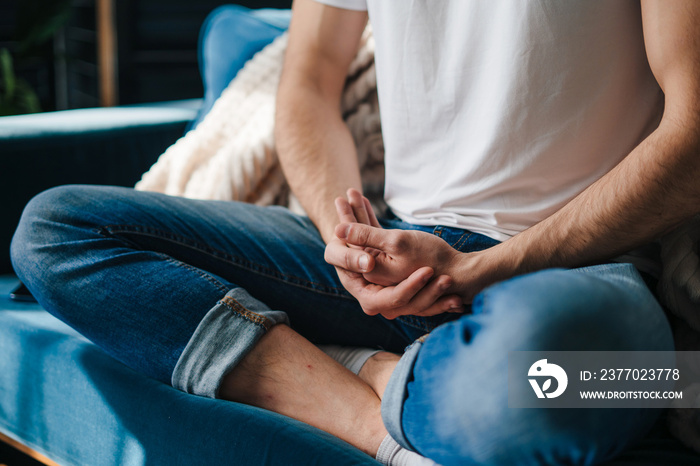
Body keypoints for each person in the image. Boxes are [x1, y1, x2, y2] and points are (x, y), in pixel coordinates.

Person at [10, 0, 700, 464]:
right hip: (392, 258)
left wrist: (480, 270)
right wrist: (341, 234)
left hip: (575, 269)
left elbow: (692, 139)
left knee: (647, 380)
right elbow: (307, 82)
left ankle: (348, 364)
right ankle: (372, 408)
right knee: (58, 230)